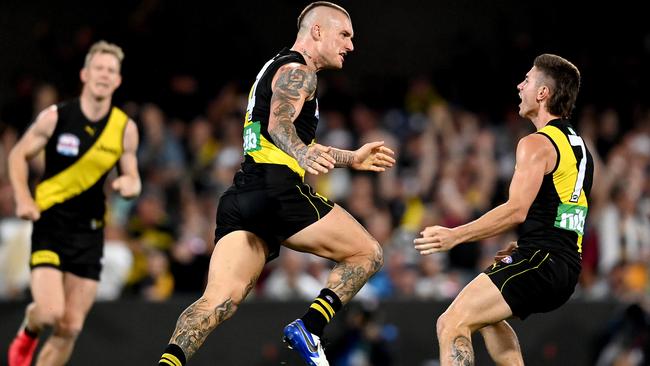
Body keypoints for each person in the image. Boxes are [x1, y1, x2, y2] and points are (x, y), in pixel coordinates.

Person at [157, 2, 395, 366]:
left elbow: (282, 133)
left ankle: (169, 362)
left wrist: (352, 158)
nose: (350, 46)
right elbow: (279, 126)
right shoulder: (299, 70)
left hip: (243, 194)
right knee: (367, 253)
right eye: (344, 35)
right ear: (317, 31)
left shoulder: (276, 67)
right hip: (277, 192)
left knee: (219, 299)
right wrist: (299, 153)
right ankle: (311, 328)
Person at [414, 53, 593, 365]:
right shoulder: (579, 146)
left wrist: (455, 235)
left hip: (543, 259)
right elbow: (566, 209)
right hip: (563, 264)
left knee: (451, 322)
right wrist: (530, 241)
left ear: (543, 93)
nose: (519, 86)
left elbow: (515, 211)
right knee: (488, 318)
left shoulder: (536, 143)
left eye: (527, 80)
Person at [7, 40, 141, 366]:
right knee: (51, 313)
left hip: (90, 232)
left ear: (118, 80)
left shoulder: (124, 129)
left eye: (111, 70)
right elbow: (17, 154)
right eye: (99, 68)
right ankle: (30, 324)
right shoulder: (56, 117)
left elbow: (133, 175)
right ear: (85, 74)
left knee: (71, 325)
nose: (104, 75)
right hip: (51, 223)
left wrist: (129, 185)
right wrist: (23, 197)